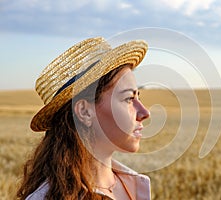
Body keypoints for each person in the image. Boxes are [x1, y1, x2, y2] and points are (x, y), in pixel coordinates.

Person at [17, 37, 151, 200]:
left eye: (138, 96)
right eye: (129, 99)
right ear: (84, 112)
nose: (144, 112)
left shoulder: (132, 186)